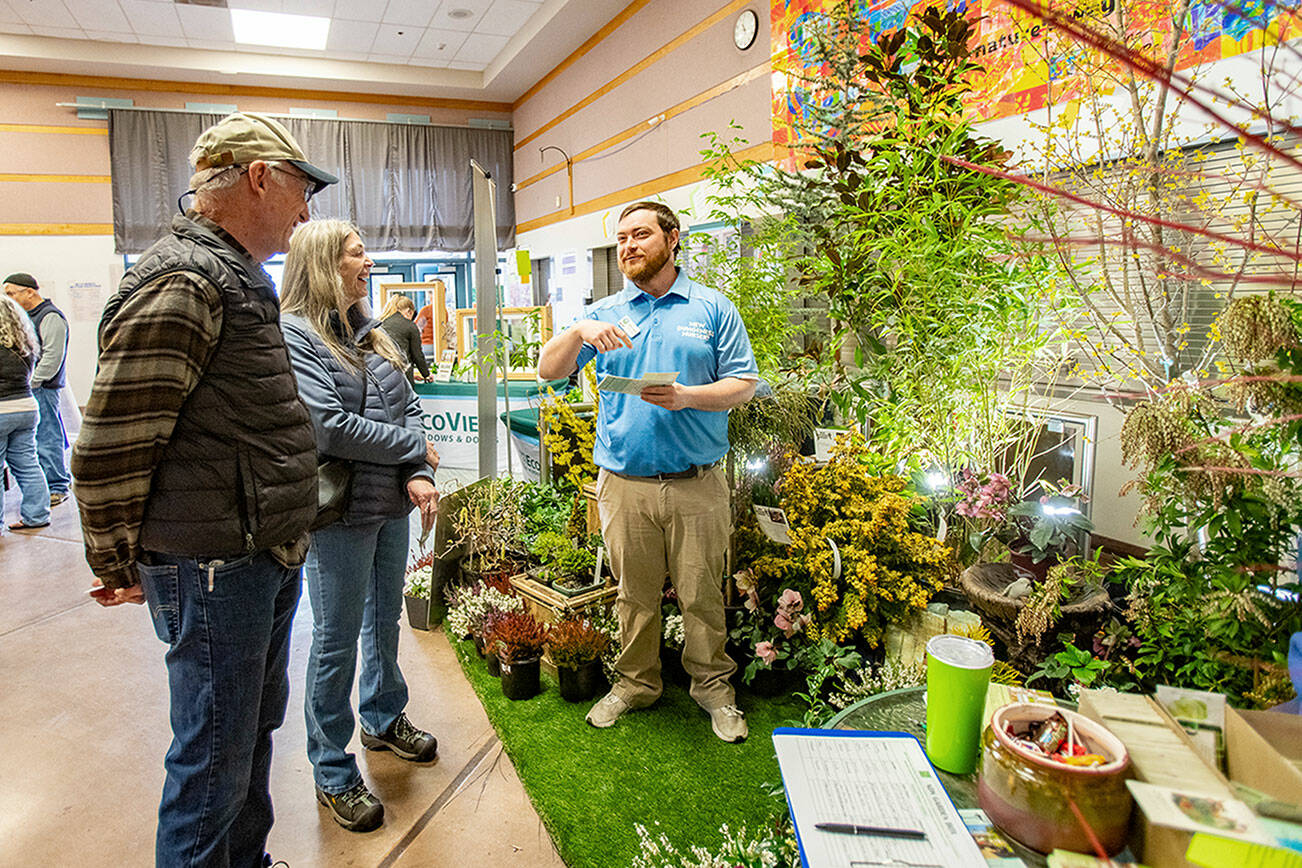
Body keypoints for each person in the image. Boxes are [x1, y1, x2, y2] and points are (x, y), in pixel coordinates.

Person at [70, 111, 337, 867]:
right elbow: (110, 443)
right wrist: (119, 563)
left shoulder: (228, 273)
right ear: (259, 177)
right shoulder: (189, 277)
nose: (306, 211)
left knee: (246, 739)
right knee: (213, 765)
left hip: (255, 557)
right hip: (218, 566)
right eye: (300, 191)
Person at [537, 201, 758, 743]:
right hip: (624, 486)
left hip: (697, 483)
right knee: (632, 596)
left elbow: (744, 384)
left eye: (640, 235)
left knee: (702, 594)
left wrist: (686, 396)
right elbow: (549, 370)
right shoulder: (608, 313)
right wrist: (581, 330)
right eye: (622, 239)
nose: (629, 246)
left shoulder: (712, 309)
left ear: (672, 238)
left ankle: (713, 689)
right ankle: (636, 684)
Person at [280, 220, 441, 834]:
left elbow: (409, 405)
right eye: (357, 253)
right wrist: (413, 448)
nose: (367, 261)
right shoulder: (295, 335)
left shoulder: (371, 333)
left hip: (387, 506)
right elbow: (330, 428)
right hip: (338, 515)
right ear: (325, 263)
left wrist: (414, 471)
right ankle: (330, 766)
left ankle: (382, 717)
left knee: (384, 620)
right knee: (335, 639)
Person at [3, 272, 70, 506]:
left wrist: (31, 383)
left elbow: (52, 356)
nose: (8, 298)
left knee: (48, 437)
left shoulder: (50, 316)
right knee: (29, 452)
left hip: (41, 388)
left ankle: (58, 485)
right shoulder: (24, 317)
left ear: (29, 292)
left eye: (11, 293)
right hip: (27, 390)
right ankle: (40, 501)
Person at [0, 293, 51, 531]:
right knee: (28, 463)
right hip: (27, 407)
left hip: (2, 411)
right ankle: (37, 515)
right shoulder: (24, 344)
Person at [378, 294, 432, 384]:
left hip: (382, 376)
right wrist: (426, 375)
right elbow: (417, 355)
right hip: (403, 377)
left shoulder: (380, 324)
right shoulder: (409, 326)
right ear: (409, 311)